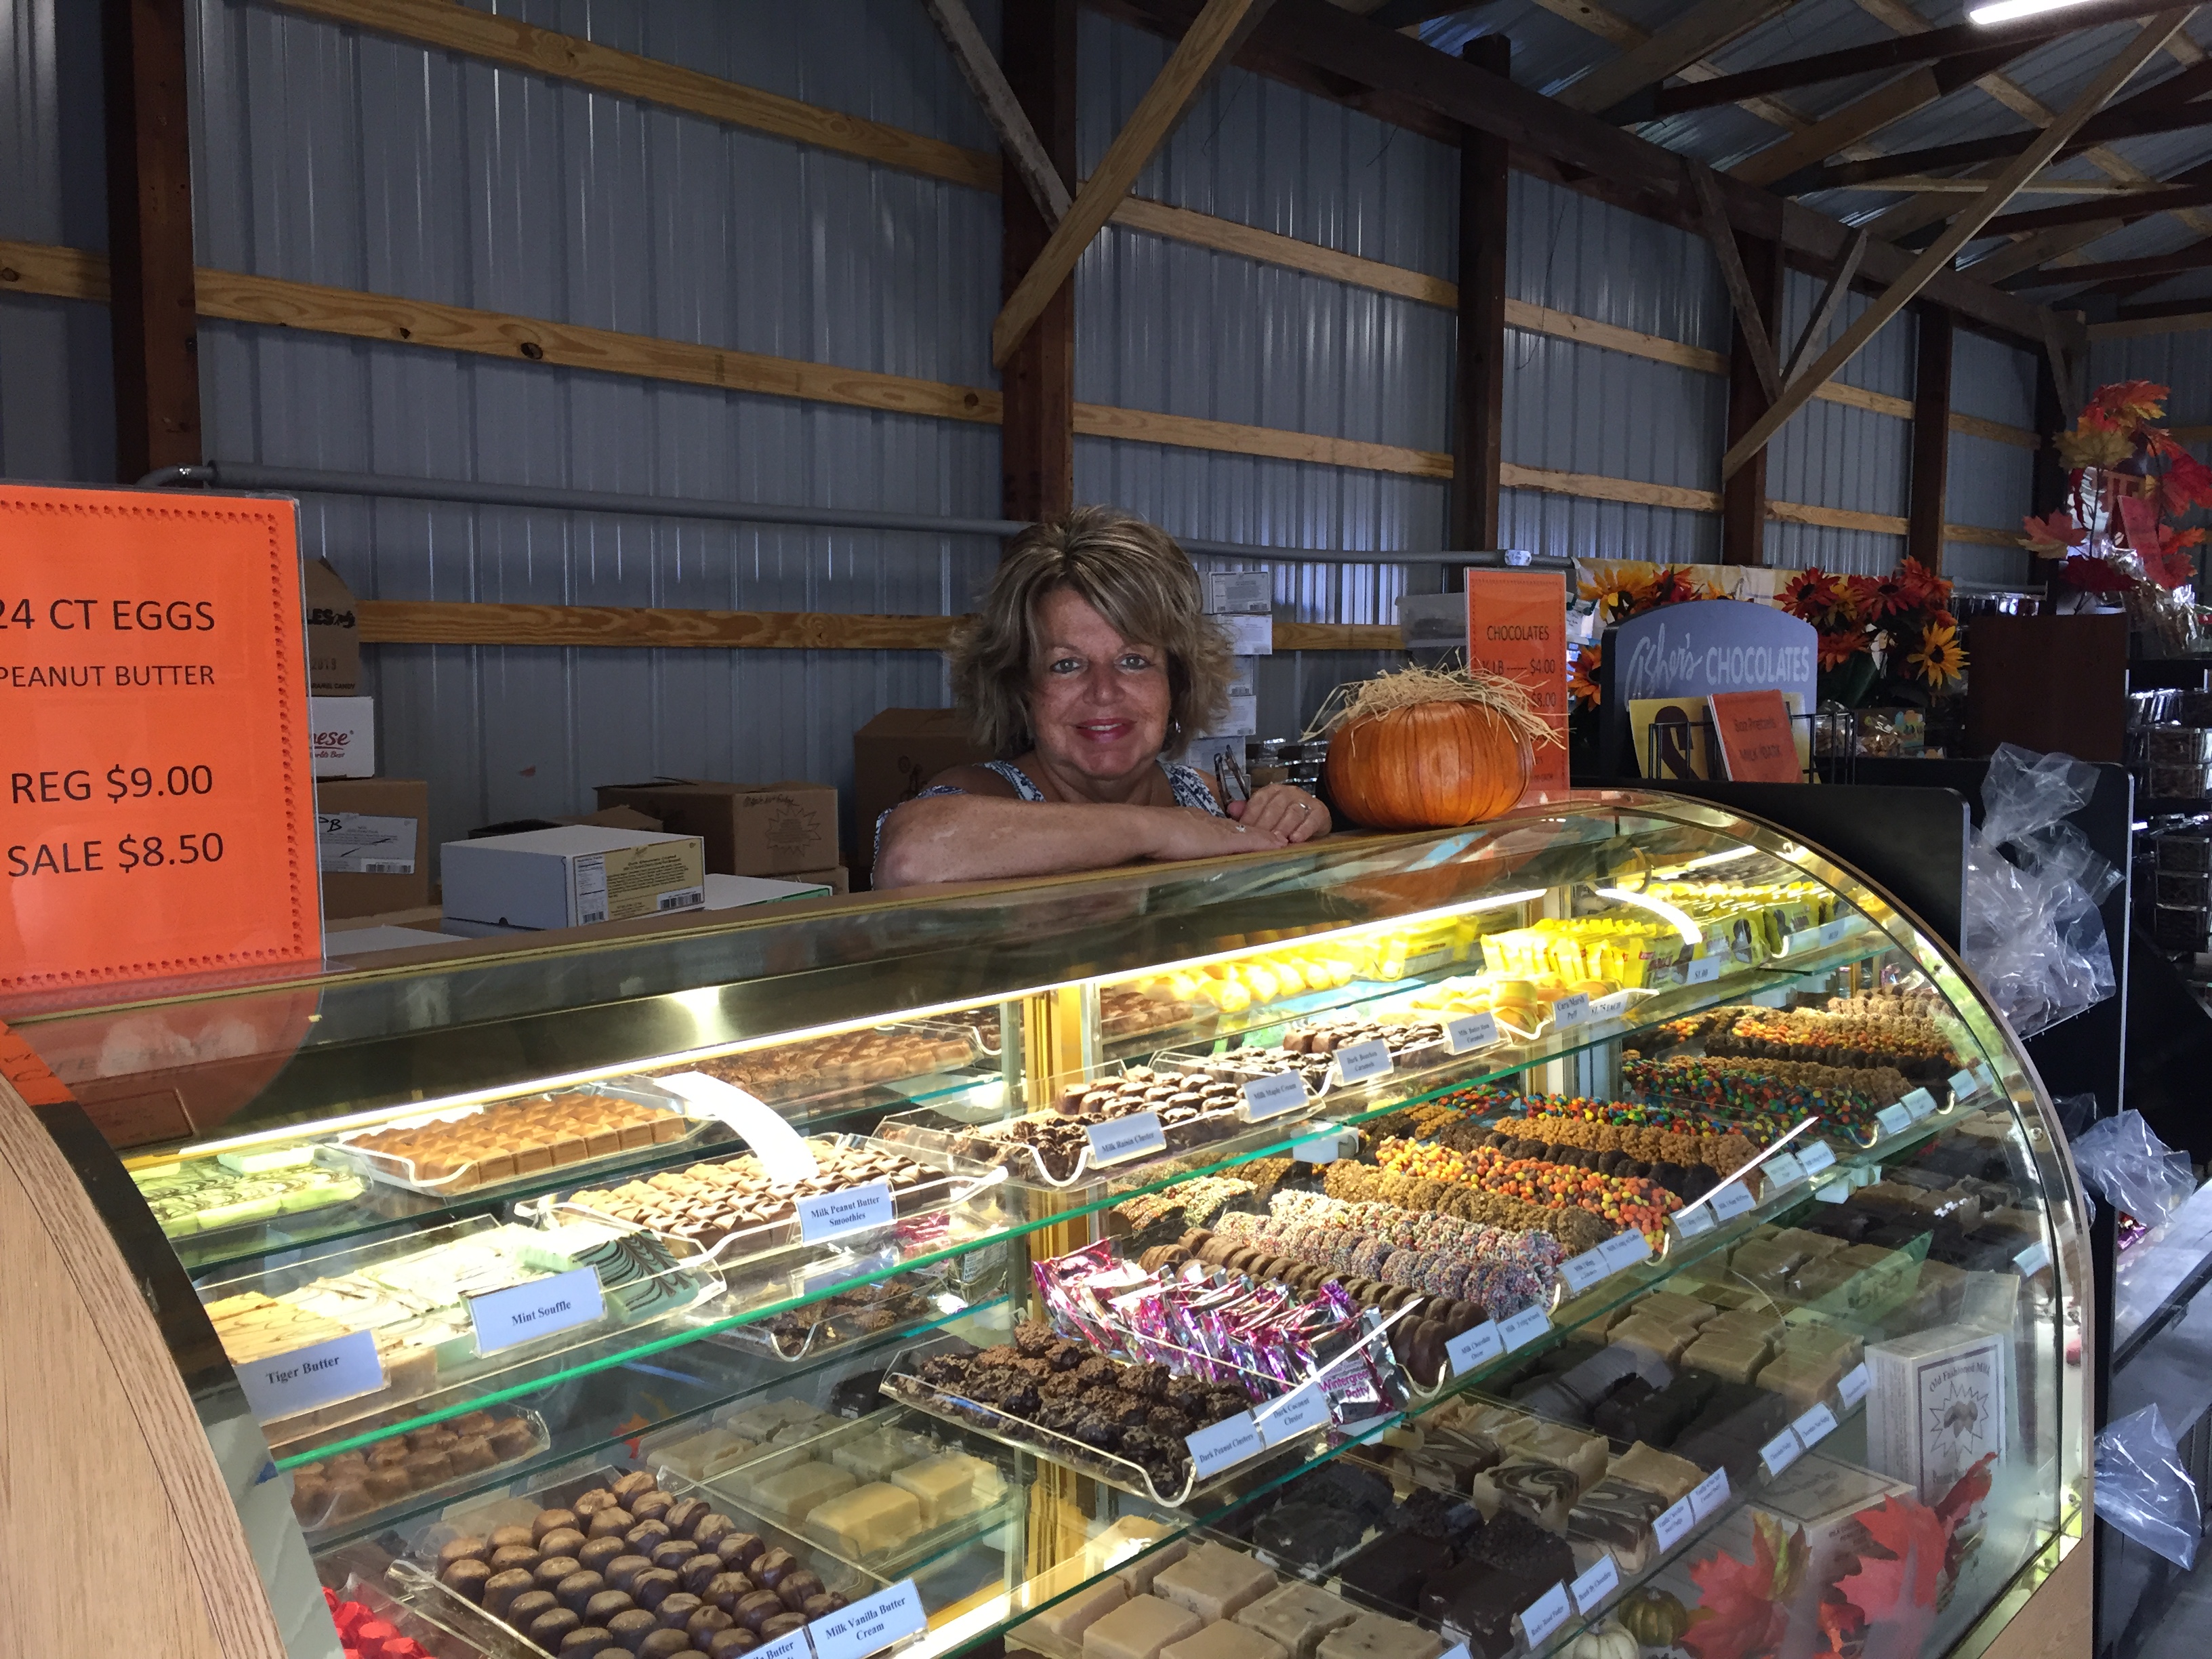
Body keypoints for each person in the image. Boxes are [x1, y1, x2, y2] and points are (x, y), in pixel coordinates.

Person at [874, 506, 1332, 887]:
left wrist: (1295, 818)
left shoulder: (1200, 795)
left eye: (1133, 660)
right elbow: (912, 856)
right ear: (1021, 688)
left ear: (1177, 680)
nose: (1104, 691)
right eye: (1066, 665)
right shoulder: (984, 795)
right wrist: (1156, 831)